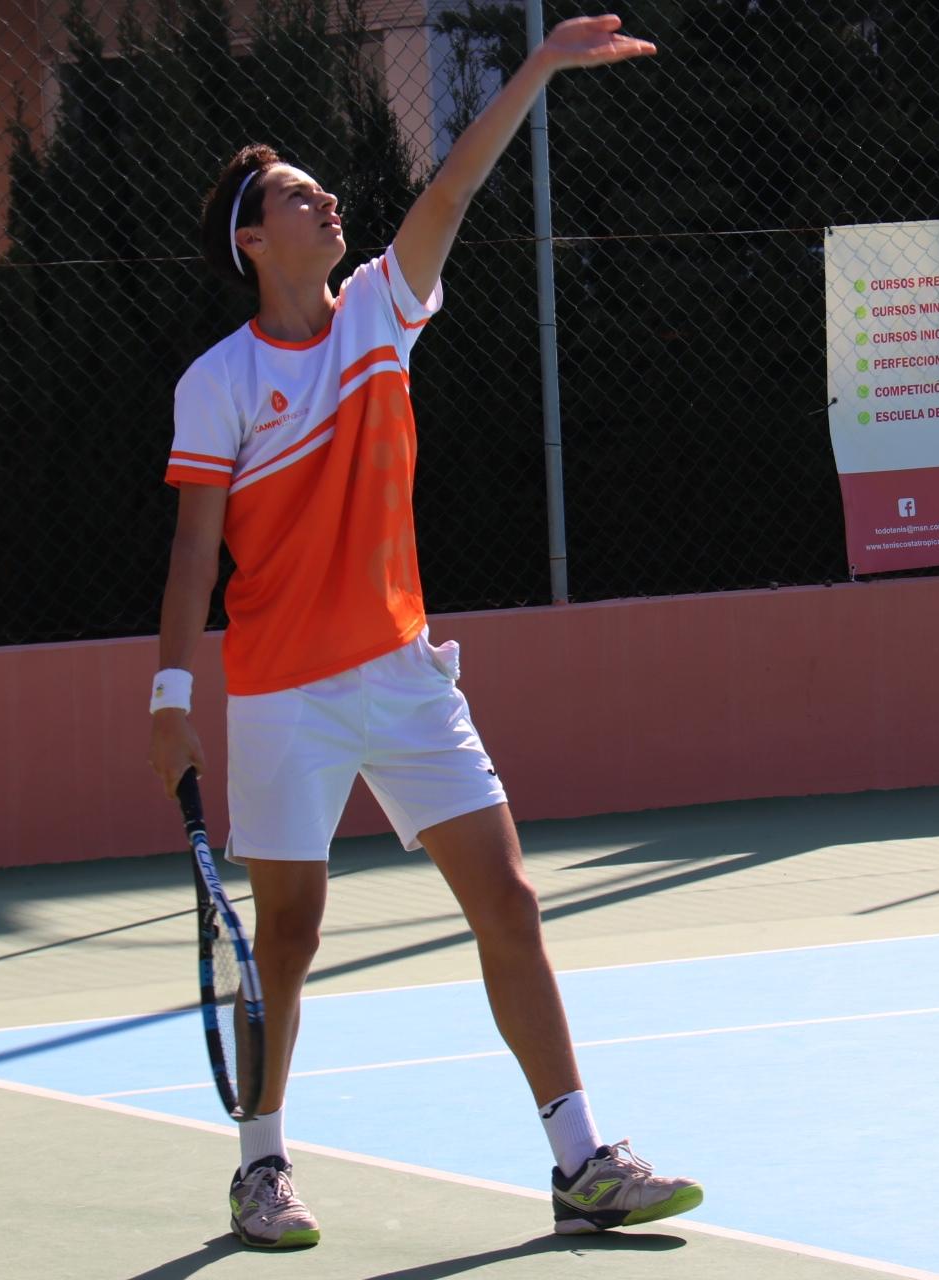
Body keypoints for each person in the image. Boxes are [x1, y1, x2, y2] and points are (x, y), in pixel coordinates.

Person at [146, 14, 701, 1251]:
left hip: (404, 675)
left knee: (507, 894)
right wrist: (170, 697)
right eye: (297, 195)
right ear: (253, 238)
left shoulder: (379, 313)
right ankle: (260, 1165)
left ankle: (581, 1160)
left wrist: (537, 69)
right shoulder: (219, 382)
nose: (326, 200)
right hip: (283, 693)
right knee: (288, 935)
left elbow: (449, 189)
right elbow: (193, 552)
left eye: (322, 189)